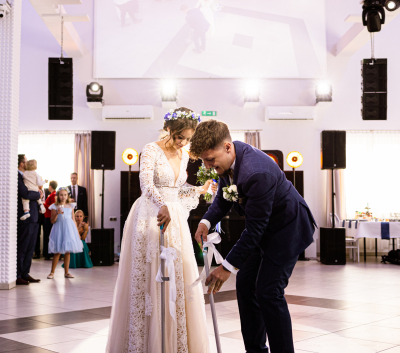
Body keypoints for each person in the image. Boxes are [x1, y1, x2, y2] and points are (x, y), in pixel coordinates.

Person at [191, 120, 317, 353]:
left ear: (227, 147)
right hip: (265, 228)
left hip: (287, 229)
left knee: (269, 291)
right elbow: (225, 196)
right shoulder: (230, 157)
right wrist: (206, 222)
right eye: (204, 161)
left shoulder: (256, 171)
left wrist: (226, 266)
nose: (208, 166)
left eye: (210, 159)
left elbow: (255, 228)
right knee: (246, 284)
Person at [106, 107, 212, 353]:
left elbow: (176, 188)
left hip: (174, 216)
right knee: (153, 274)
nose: (183, 142)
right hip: (151, 215)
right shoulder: (151, 149)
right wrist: (162, 204)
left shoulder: (184, 154)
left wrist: (199, 189)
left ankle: (174, 340)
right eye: (180, 137)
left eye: (187, 138)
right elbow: (146, 184)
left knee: (177, 274)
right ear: (168, 129)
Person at [17, 154, 43, 285]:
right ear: (22, 164)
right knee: (23, 247)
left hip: (34, 217)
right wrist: (38, 194)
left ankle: (25, 273)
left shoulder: (29, 176)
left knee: (30, 248)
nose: (27, 163)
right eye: (26, 161)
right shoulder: (18, 177)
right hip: (25, 217)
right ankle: (18, 275)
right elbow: (25, 193)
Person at [47, 188, 83, 279]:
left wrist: (77, 233)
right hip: (59, 229)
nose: (63, 197)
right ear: (58, 196)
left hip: (69, 229)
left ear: (67, 196)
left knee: (67, 251)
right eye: (61, 195)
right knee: (58, 251)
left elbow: (73, 220)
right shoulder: (54, 206)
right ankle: (52, 272)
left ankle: (66, 272)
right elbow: (52, 221)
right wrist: (57, 213)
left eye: (65, 195)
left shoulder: (70, 206)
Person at [34, 186, 50, 259]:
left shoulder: (47, 191)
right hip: (37, 214)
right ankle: (37, 253)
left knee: (47, 234)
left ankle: (46, 254)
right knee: (37, 234)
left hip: (46, 215)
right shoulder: (35, 190)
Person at [43, 181, 58, 260]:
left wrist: (44, 204)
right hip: (48, 216)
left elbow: (53, 206)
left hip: (49, 217)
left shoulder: (53, 195)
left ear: (51, 186)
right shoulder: (52, 194)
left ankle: (48, 253)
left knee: (48, 235)